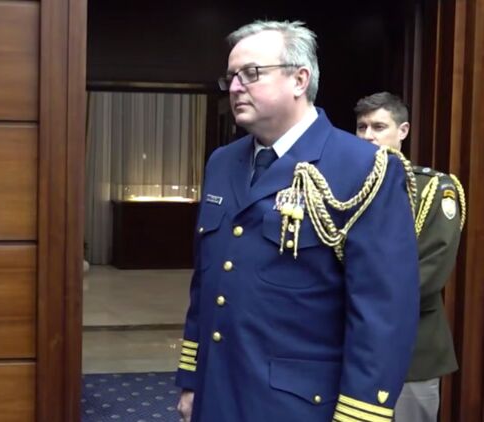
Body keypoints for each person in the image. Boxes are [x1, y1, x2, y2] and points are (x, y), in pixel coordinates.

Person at [175, 20, 419, 422]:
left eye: (250, 73)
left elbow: (383, 312)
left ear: (299, 80)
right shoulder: (223, 161)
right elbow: (207, 282)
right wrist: (191, 379)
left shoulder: (363, 167)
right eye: (231, 76)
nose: (235, 87)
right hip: (217, 391)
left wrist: (359, 415)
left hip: (299, 405)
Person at [355, 92, 466, 422]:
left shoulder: (433, 189)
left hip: (410, 350)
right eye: (361, 127)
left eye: (379, 127)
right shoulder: (341, 188)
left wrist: (358, 301)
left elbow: (430, 272)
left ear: (403, 131)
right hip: (350, 348)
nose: (368, 136)